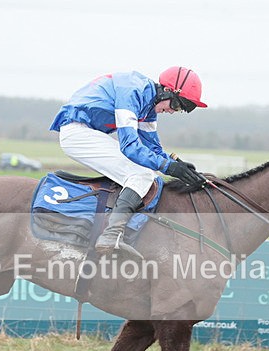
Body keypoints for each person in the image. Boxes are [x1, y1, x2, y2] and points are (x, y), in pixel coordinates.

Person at [50, 66, 208, 258]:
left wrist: (179, 167)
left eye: (180, 109)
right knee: (141, 175)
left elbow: (153, 149)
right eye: (176, 105)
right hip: (77, 133)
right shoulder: (133, 92)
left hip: (88, 131)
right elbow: (130, 146)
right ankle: (111, 235)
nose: (173, 111)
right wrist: (168, 167)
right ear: (167, 90)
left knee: (148, 172)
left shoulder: (148, 104)